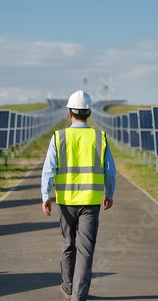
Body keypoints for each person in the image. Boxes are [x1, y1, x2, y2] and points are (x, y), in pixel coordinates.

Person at [41, 90, 116, 301]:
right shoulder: (99, 137)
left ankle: (68, 285)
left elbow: (49, 169)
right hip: (91, 203)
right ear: (89, 113)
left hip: (65, 202)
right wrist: (109, 193)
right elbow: (110, 170)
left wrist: (45, 195)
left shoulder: (59, 136)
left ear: (69, 113)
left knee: (68, 244)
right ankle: (78, 296)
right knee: (85, 250)